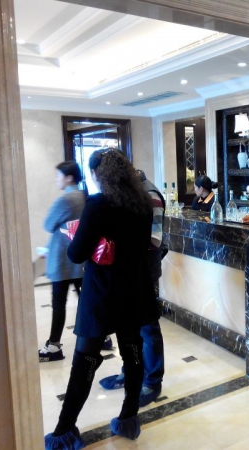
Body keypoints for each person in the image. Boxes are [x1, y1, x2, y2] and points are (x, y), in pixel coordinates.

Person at [44, 149, 156, 448]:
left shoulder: (97, 204)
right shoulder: (143, 203)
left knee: (86, 359)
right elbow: (142, 246)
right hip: (135, 289)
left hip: (103, 293)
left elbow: (77, 253)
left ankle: (64, 431)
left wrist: (74, 236)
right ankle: (129, 418)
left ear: (97, 174)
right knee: (133, 352)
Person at [98, 169, 166, 408]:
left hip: (145, 272)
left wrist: (125, 247)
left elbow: (154, 240)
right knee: (130, 327)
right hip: (131, 270)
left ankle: (153, 381)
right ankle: (130, 371)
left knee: (148, 328)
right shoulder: (133, 193)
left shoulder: (150, 195)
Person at [39, 161, 85, 362]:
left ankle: (53, 346)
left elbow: (48, 224)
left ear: (69, 177)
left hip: (62, 260)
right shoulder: (85, 197)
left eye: (59, 176)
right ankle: (102, 337)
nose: (56, 179)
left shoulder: (65, 200)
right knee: (86, 301)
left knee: (59, 304)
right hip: (79, 258)